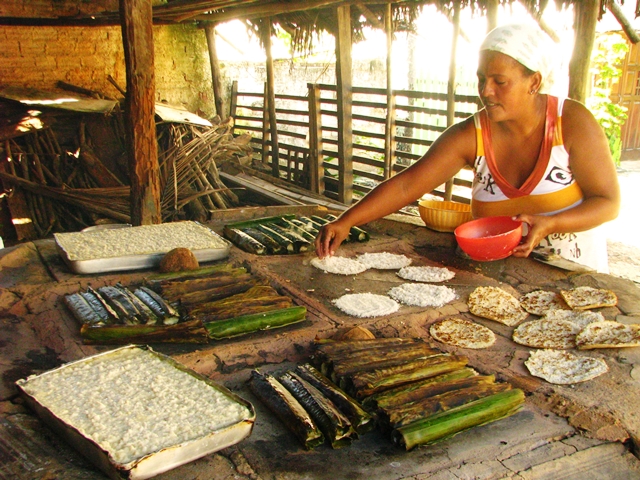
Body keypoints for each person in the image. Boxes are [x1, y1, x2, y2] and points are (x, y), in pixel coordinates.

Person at [315, 23, 620, 273]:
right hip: (498, 278)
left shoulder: (572, 123)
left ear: (534, 82)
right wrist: (346, 221)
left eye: (500, 81)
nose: (486, 91)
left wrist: (553, 223)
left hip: (571, 276)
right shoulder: (471, 135)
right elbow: (408, 184)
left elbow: (607, 201)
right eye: (481, 79)